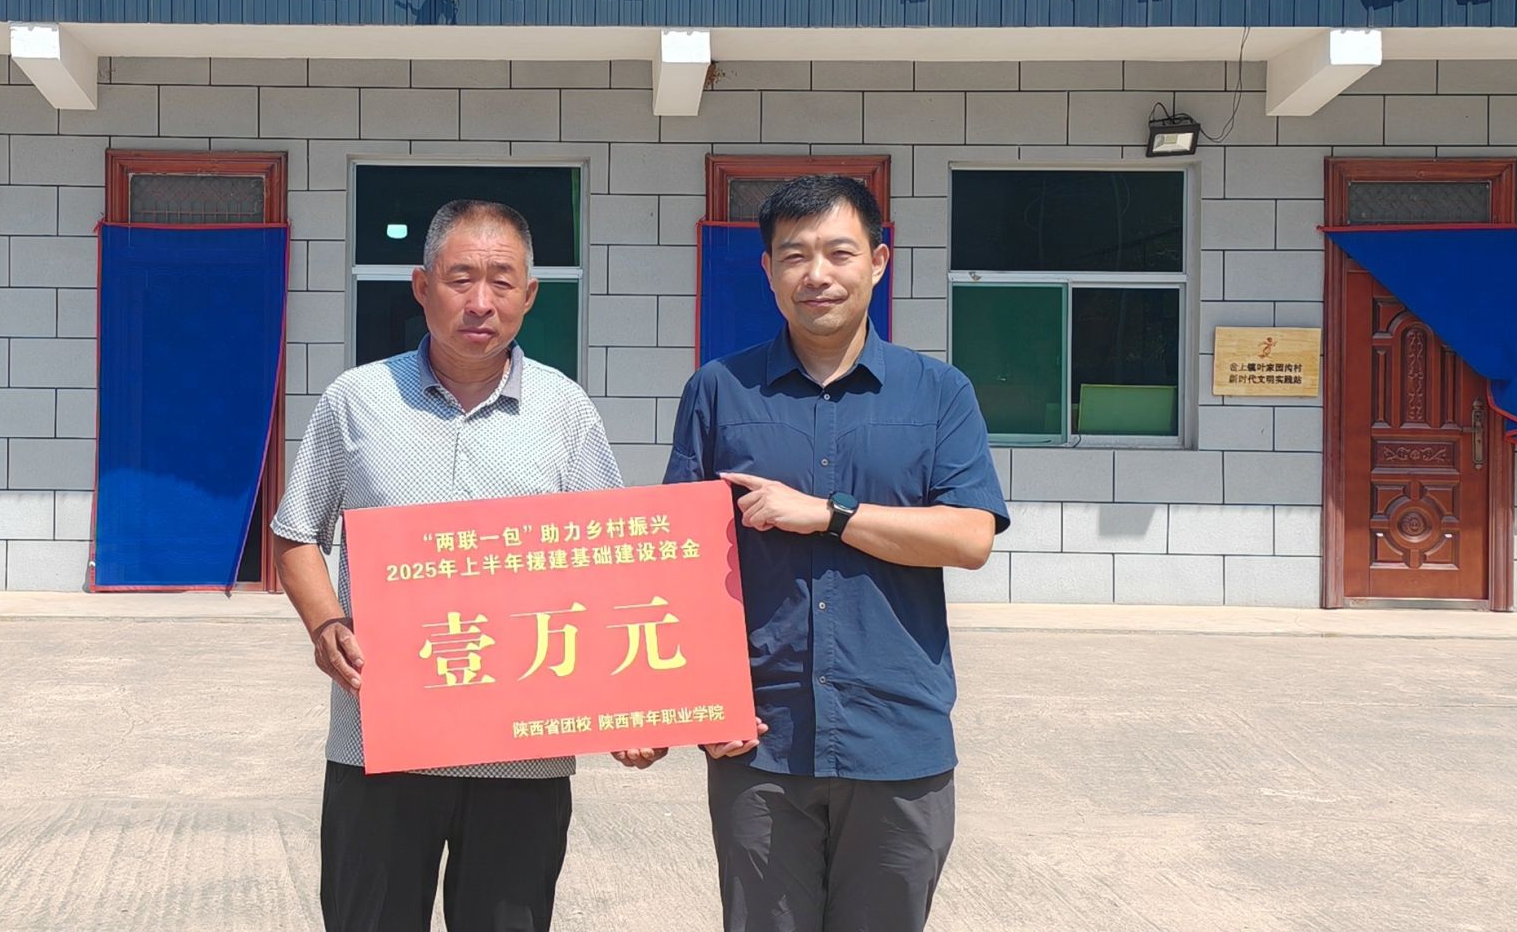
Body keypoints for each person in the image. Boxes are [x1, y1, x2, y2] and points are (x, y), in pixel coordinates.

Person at [271, 199, 663, 932]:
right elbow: (295, 535)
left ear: (529, 295)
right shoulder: (357, 401)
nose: (481, 301)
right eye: (460, 279)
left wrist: (631, 704)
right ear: (422, 287)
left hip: (524, 753)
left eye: (502, 281)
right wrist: (326, 625)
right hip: (380, 743)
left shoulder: (566, 411)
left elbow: (611, 565)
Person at [662, 174, 1008, 932]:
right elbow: (678, 565)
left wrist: (828, 515)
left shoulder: (938, 392)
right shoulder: (719, 391)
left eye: (839, 253)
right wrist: (691, 702)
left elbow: (969, 537)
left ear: (879, 262)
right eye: (794, 255)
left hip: (897, 738)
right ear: (768, 270)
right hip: (760, 741)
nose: (817, 274)